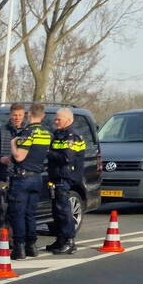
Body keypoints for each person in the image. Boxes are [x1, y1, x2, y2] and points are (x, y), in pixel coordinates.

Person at [7, 102, 52, 260]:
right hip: (37, 177)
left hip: (23, 178)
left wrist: (13, 144)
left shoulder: (28, 132)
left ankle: (19, 248)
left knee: (18, 213)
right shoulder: (46, 133)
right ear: (43, 115)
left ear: (29, 114)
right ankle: (31, 246)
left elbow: (19, 156)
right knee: (30, 213)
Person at [45, 107, 86, 254]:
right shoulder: (58, 134)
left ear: (68, 120)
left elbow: (66, 158)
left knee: (63, 210)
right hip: (57, 176)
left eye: (58, 119)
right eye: (55, 119)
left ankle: (69, 241)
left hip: (65, 177)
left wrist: (47, 153)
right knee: (57, 211)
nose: (55, 121)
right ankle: (60, 240)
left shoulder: (71, 136)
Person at [0, 102, 27, 238]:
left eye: (20, 115)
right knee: (1, 210)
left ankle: (16, 239)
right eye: (15, 115)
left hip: (22, 177)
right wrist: (0, 158)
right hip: (3, 176)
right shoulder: (0, 131)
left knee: (18, 210)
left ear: (24, 115)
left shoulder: (28, 132)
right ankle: (1, 240)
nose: (17, 118)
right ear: (10, 115)